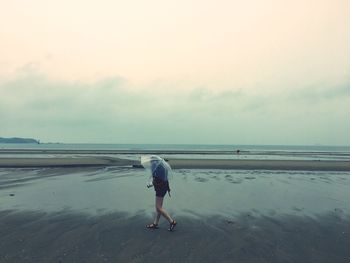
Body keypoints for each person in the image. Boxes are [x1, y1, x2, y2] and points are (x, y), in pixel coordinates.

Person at [146, 160, 177, 231]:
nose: (150, 163)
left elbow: (157, 181)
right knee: (159, 207)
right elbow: (165, 179)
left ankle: (172, 222)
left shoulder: (155, 168)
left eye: (151, 162)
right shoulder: (163, 167)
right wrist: (168, 189)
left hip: (160, 189)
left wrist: (150, 184)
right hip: (164, 188)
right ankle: (155, 223)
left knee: (158, 207)